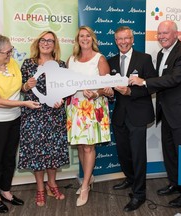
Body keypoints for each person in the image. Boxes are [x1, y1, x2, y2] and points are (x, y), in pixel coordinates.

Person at [129, 20, 181, 207]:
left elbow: (174, 79)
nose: (161, 37)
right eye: (159, 34)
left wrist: (144, 82)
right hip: (167, 111)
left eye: (165, 33)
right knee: (169, 152)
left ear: (176, 34)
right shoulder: (161, 53)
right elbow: (160, 79)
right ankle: (175, 184)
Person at [0, 34, 40, 213]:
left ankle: (5, 191)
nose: (10, 55)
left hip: (14, 119)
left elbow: (18, 87)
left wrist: (26, 86)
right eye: (6, 52)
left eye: (10, 50)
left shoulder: (11, 63)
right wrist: (24, 103)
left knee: (9, 158)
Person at [107, 26, 157, 212]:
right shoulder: (111, 62)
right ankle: (130, 178)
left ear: (132, 39)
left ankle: (139, 194)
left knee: (138, 156)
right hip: (119, 115)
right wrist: (107, 92)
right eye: (119, 39)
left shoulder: (144, 59)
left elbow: (151, 86)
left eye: (126, 38)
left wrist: (130, 91)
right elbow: (110, 90)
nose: (122, 42)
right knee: (123, 153)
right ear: (115, 41)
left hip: (138, 114)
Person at [18, 31, 69, 207]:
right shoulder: (27, 64)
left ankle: (52, 184)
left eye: (50, 41)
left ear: (55, 45)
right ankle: (40, 188)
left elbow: (65, 89)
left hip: (54, 115)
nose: (46, 43)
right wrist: (26, 85)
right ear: (38, 42)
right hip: (34, 114)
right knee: (37, 152)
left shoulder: (61, 65)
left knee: (53, 151)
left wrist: (61, 100)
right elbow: (21, 89)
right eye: (43, 40)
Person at [66, 26, 112, 207]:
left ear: (92, 39)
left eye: (87, 36)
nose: (84, 39)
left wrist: (95, 93)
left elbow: (108, 86)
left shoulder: (99, 59)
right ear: (77, 40)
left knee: (88, 148)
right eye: (81, 36)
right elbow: (66, 84)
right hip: (75, 107)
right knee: (79, 145)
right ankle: (89, 177)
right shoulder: (71, 60)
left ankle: (84, 186)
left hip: (92, 107)